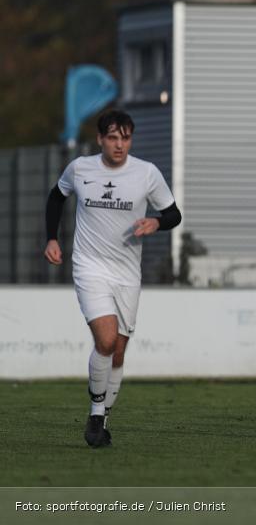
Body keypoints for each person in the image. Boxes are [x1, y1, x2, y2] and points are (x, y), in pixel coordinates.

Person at [43, 109, 182, 448]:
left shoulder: (146, 173)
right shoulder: (80, 168)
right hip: (89, 266)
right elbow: (56, 196)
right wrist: (51, 237)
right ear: (101, 139)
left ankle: (103, 415)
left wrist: (156, 223)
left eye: (126, 138)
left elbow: (173, 214)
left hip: (127, 274)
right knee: (105, 340)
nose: (120, 145)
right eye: (113, 138)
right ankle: (94, 413)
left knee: (118, 352)